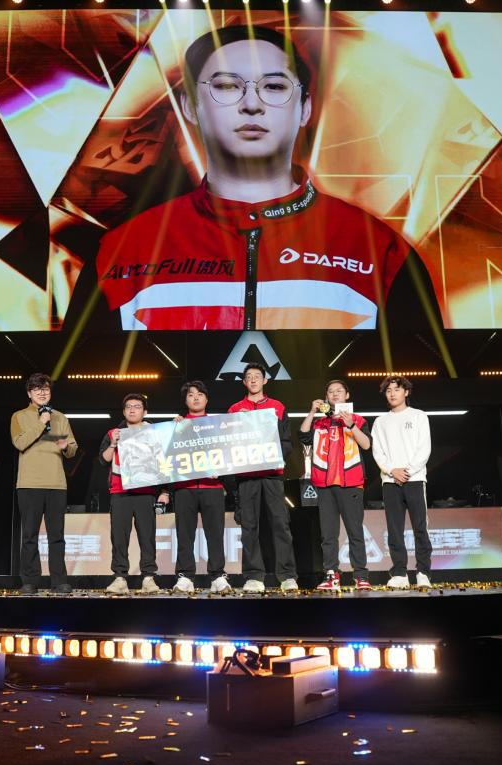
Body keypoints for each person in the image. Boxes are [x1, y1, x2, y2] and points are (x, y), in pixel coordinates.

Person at [94, 25, 419, 331]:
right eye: (227, 86)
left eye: (274, 87)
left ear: (305, 108)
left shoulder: (379, 251)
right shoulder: (123, 252)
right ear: (190, 106)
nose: (252, 104)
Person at [227, 362, 298, 593]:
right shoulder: (235, 410)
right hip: (246, 476)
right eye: (249, 376)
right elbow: (228, 442)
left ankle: (287, 575)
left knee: (280, 524)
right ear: (244, 382)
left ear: (265, 380)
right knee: (249, 526)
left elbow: (286, 442)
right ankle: (253, 576)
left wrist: (273, 455)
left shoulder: (277, 407)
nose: (253, 379)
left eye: (257, 376)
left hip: (272, 474)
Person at [300, 379, 372, 591]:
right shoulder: (320, 423)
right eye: (330, 391)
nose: (334, 394)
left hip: (351, 483)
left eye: (339, 390)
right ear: (326, 397)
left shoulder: (358, 420)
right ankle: (331, 575)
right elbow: (303, 436)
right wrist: (312, 412)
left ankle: (361, 576)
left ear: (347, 395)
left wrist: (351, 425)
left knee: (355, 532)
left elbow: (366, 445)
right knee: (328, 535)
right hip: (325, 485)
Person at [11, 373, 78, 594]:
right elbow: (20, 443)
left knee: (57, 536)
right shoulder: (19, 416)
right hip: (29, 483)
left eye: (46, 389)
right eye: (37, 389)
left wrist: (66, 447)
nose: (42, 393)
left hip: (56, 484)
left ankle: (59, 581)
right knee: (29, 535)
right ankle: (30, 581)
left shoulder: (61, 417)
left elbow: (72, 448)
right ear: (29, 393)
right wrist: (41, 423)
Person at [100, 393, 169, 594]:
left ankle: (148, 577)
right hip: (120, 491)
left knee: (147, 537)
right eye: (128, 406)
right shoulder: (114, 433)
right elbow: (103, 460)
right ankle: (120, 578)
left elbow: (164, 463)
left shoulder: (154, 434)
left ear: (145, 412)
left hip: (145, 492)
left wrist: (165, 491)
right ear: (123, 411)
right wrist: (113, 444)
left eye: (137, 406)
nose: (132, 410)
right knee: (119, 538)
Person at [371, 376, 432, 589]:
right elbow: (377, 451)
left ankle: (423, 572)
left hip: (414, 479)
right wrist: (392, 471)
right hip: (390, 481)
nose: (392, 393)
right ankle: (399, 573)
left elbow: (424, 448)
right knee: (394, 529)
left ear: (406, 392)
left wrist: (407, 471)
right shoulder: (380, 422)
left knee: (420, 527)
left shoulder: (419, 416)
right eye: (388, 390)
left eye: (397, 389)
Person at [172, 380, 231, 594]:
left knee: (215, 534)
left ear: (207, 399)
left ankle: (217, 576)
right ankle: (186, 576)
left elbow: (228, 452)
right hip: (184, 486)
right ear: (185, 400)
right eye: (190, 394)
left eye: (199, 394)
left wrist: (221, 469)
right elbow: (167, 456)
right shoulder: (176, 426)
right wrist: (174, 431)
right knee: (184, 534)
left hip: (212, 486)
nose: (195, 398)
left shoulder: (218, 425)